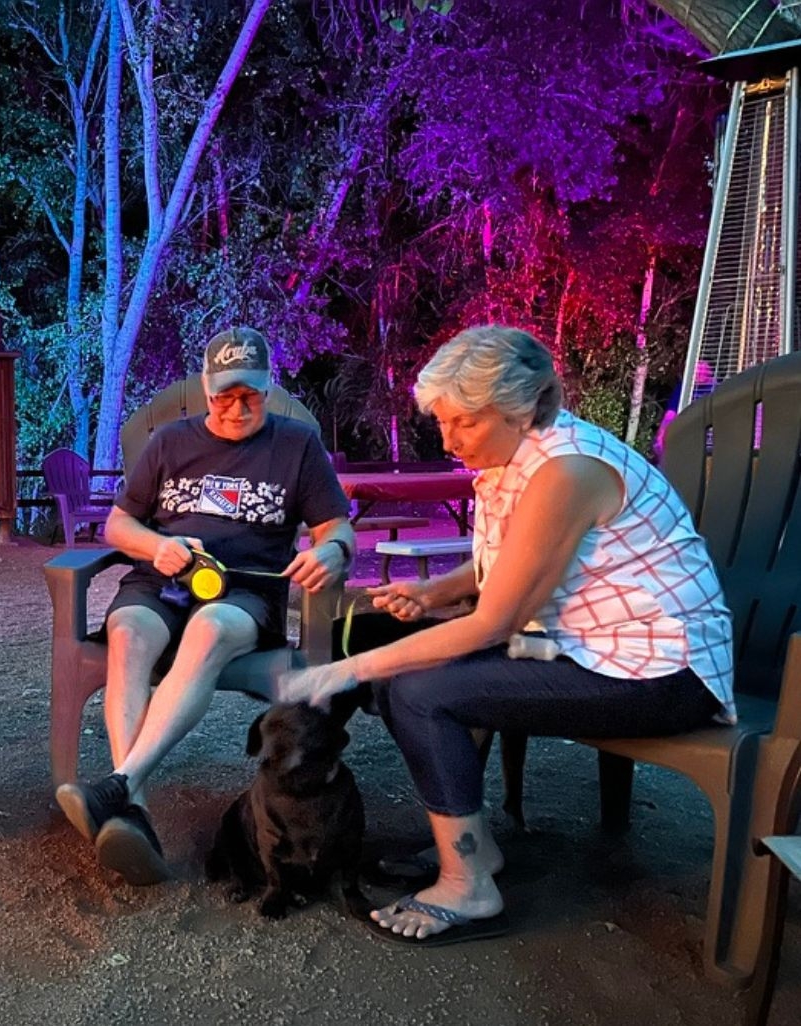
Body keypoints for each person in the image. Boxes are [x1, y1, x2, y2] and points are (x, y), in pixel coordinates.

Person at [279, 325, 734, 946]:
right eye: (441, 422)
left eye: (462, 422)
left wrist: (348, 668)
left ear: (518, 409)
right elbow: (511, 561)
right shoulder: (524, 456)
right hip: (589, 645)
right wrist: (434, 592)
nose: (446, 438)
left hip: (660, 672)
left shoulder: (567, 471)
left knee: (414, 688)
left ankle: (469, 885)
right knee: (403, 679)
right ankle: (475, 850)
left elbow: (494, 621)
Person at [55, 327, 356, 885]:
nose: (238, 408)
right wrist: (156, 545)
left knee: (210, 630)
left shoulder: (296, 446)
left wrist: (335, 550)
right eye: (225, 396)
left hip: (243, 591)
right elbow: (118, 523)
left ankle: (118, 789)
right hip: (164, 578)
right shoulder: (169, 442)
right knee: (128, 635)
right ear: (205, 388)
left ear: (269, 387)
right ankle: (133, 809)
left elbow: (336, 526)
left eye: (251, 395)